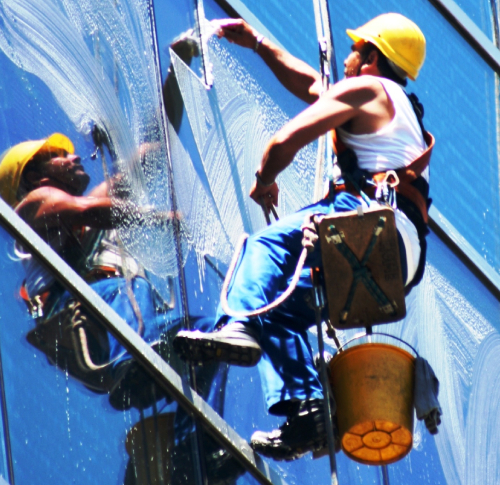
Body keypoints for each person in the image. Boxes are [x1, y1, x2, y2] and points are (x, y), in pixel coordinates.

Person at [172, 13, 433, 460]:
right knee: (278, 311)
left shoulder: (366, 89)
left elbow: (285, 141)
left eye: (354, 51)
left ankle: (233, 325)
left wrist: (264, 178)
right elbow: (314, 86)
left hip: (364, 215)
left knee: (262, 248)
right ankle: (309, 411)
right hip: (400, 253)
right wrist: (258, 44)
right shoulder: (396, 106)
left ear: (371, 56)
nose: (346, 60)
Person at [0, 133, 185, 411]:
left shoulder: (70, 214)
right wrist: (158, 218)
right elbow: (90, 209)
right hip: (69, 309)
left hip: (94, 307)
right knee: (131, 288)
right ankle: (134, 364)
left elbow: (131, 175)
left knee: (196, 336)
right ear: (36, 177)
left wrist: (164, 110)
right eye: (59, 157)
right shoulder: (35, 202)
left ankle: (191, 427)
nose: (75, 156)